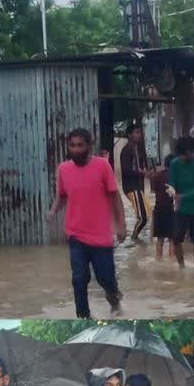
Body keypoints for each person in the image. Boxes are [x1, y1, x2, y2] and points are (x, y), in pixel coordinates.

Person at [47, 128, 127, 319]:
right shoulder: (63, 169)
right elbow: (62, 197)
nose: (75, 149)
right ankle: (83, 317)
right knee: (79, 278)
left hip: (101, 237)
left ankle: (114, 299)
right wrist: (53, 211)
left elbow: (115, 197)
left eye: (80, 145)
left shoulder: (102, 167)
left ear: (89, 146)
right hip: (76, 235)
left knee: (106, 279)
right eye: (72, 145)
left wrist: (121, 225)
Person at [170, 138, 194, 269]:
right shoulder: (174, 164)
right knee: (176, 239)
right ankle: (181, 267)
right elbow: (172, 183)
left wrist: (182, 196)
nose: (189, 156)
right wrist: (173, 193)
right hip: (181, 209)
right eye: (185, 154)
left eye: (191, 152)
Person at [121, 124, 152, 241]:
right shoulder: (127, 150)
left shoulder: (136, 149)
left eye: (140, 132)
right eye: (136, 132)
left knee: (146, 214)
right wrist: (142, 172)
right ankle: (133, 239)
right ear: (129, 135)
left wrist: (144, 172)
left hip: (137, 187)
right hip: (131, 187)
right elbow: (126, 170)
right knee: (143, 217)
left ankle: (135, 240)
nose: (139, 135)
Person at [150, 155, 177, 260]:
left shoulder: (156, 176)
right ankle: (171, 262)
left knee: (160, 239)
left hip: (158, 209)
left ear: (165, 164)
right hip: (170, 210)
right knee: (172, 239)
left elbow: (153, 191)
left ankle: (158, 260)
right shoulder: (174, 176)